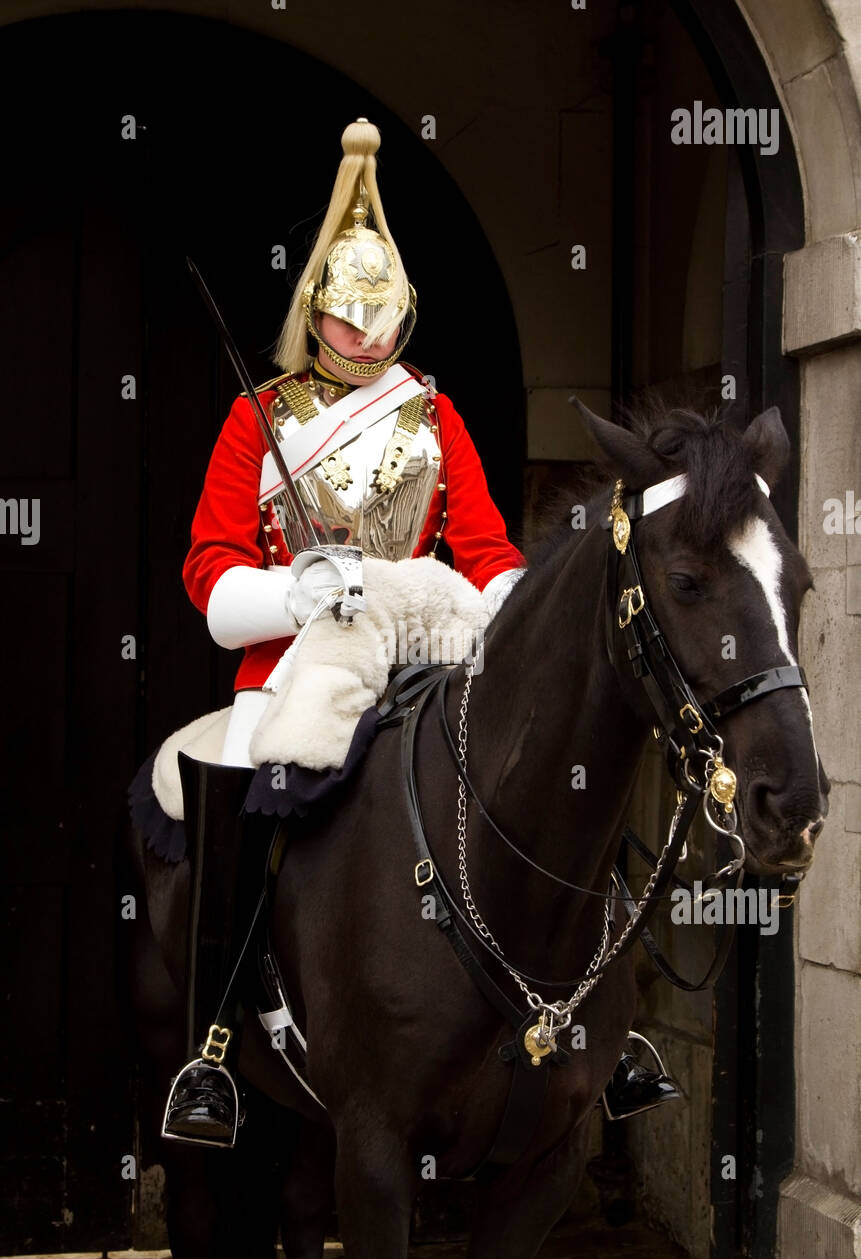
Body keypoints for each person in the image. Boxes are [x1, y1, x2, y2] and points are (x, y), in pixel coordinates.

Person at [162, 119, 677, 1148]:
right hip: (297, 663)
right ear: (317, 313)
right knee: (239, 789)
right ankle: (215, 1044)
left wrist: (495, 610)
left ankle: (612, 1025)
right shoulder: (256, 418)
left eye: (384, 316)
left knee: (555, 776)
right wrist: (303, 593)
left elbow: (486, 549)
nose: (370, 336)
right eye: (350, 318)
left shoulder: (433, 420)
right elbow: (211, 570)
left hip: (433, 654)